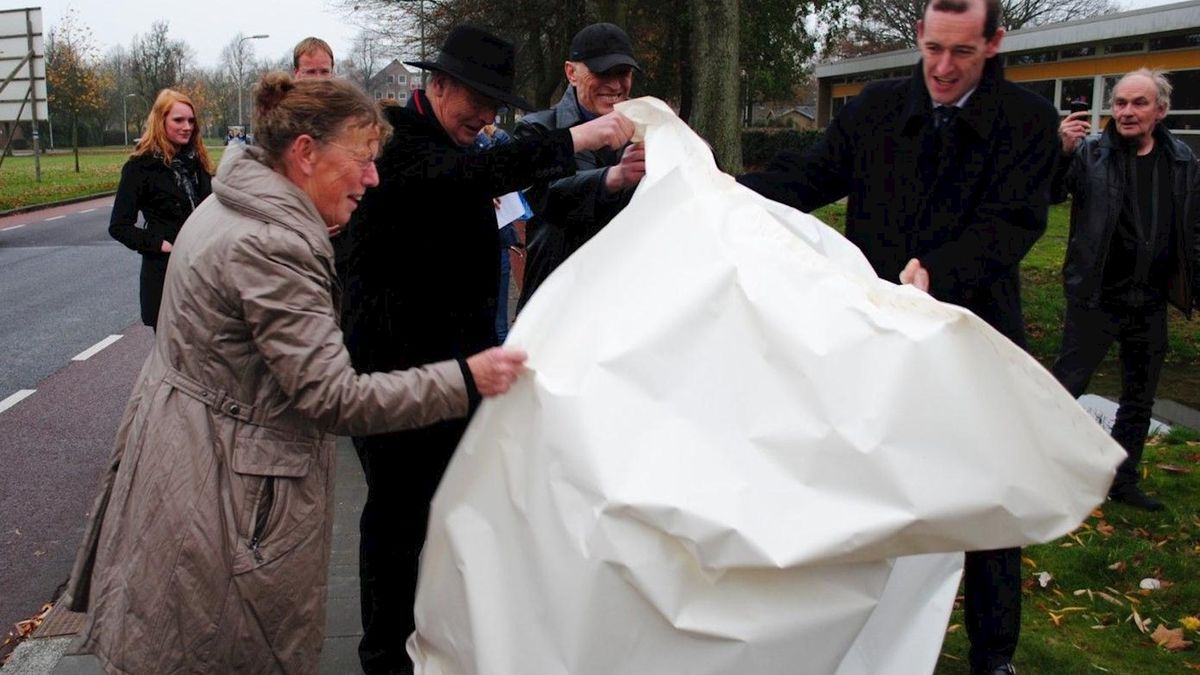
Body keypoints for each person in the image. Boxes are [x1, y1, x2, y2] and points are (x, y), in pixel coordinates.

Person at [64, 72, 527, 675]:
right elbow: (334, 397)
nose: (373, 177)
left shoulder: (232, 203)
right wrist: (468, 378)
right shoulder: (273, 244)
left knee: (180, 644)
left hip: (184, 463)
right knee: (226, 649)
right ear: (305, 154)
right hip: (228, 497)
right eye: (361, 160)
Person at [738, 1, 1059, 673]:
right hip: (876, 342)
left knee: (987, 502)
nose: (942, 67)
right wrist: (721, 191)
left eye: (962, 53)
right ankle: (856, 636)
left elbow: (1015, 223)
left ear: (994, 43)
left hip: (972, 336)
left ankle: (992, 652)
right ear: (918, 35)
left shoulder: (1028, 123)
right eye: (934, 48)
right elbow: (806, 178)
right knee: (864, 489)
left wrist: (940, 272)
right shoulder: (875, 109)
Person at [340, 24, 635, 675]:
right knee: (398, 523)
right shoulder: (398, 145)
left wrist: (606, 175)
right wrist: (581, 138)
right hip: (395, 379)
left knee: (452, 516)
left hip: (461, 374)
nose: (484, 116)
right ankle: (386, 654)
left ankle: (442, 641)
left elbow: (516, 189)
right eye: (474, 100)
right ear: (437, 85)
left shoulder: (462, 142)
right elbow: (462, 178)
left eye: (493, 105)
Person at [1052, 68, 1199, 512]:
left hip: (1150, 299)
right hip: (1096, 295)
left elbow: (1191, 228)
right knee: (1062, 392)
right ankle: (1042, 474)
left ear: (1161, 109)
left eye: (1138, 103)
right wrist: (1059, 153)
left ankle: (1124, 481)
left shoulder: (1183, 160)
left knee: (1139, 398)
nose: (1127, 112)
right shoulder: (1090, 153)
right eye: (1119, 103)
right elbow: (1050, 195)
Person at [515, 22, 646, 309]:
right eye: (602, 72)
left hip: (627, 302)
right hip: (558, 305)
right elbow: (543, 197)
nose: (615, 84)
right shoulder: (536, 131)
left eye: (622, 73)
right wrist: (613, 177)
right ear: (571, 73)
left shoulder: (646, 128)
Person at [108, 89, 213, 330]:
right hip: (166, 276)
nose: (187, 126)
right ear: (160, 120)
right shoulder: (141, 167)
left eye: (190, 120)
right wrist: (161, 245)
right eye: (178, 120)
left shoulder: (198, 163)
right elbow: (119, 226)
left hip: (203, 273)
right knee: (173, 362)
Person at [472, 122, 520, 341]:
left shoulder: (496, 139)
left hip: (499, 238)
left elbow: (513, 160)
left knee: (498, 323)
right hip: (476, 241)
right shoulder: (458, 146)